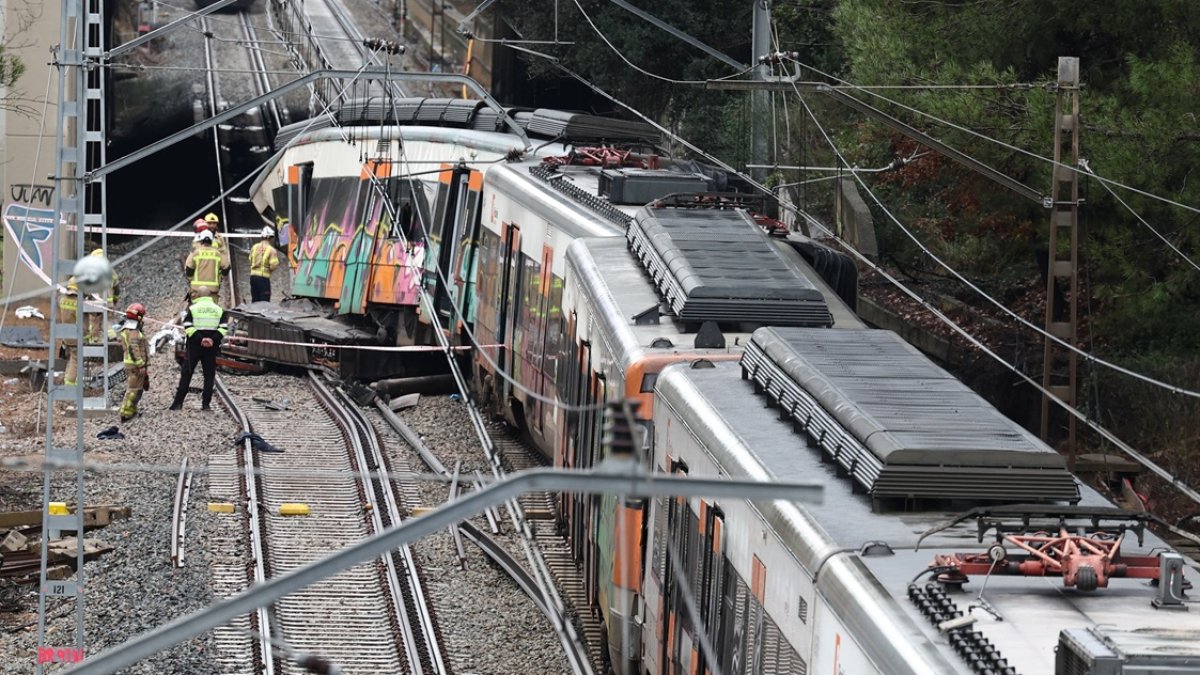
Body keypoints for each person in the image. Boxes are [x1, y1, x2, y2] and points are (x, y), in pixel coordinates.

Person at [169, 294, 227, 411]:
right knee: (209, 375)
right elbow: (223, 328)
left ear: (199, 296)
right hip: (211, 347)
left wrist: (200, 339)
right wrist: (212, 339)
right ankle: (206, 405)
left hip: (194, 346)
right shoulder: (219, 310)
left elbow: (187, 325)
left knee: (187, 373)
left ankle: (178, 403)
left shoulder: (193, 309)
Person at [116, 303, 149, 422]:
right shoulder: (133, 331)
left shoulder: (127, 328)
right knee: (133, 389)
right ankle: (125, 412)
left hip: (131, 363)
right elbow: (134, 348)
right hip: (134, 365)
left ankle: (131, 409)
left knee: (136, 388)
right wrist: (140, 364)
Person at [84, 248, 119, 343]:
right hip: (109, 304)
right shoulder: (111, 272)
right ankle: (112, 338)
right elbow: (116, 288)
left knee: (94, 323)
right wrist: (114, 300)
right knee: (108, 322)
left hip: (95, 304)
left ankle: (93, 341)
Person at [184, 229, 228, 300]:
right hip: (213, 290)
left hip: (196, 289)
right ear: (211, 240)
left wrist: (190, 279)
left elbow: (189, 269)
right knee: (212, 308)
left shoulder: (195, 253)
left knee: (195, 308)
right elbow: (226, 267)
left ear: (201, 240)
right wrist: (220, 278)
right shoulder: (218, 254)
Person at [58, 278, 81, 387]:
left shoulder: (62, 300)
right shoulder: (78, 302)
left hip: (65, 335)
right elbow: (81, 320)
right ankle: (70, 384)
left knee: (71, 357)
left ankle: (68, 379)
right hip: (75, 336)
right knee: (76, 359)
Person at [249, 226, 280, 302]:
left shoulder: (254, 247)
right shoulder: (271, 250)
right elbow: (274, 265)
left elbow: (250, 259)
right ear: (270, 238)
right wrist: (269, 270)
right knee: (264, 302)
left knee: (255, 300)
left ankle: (253, 313)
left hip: (253, 277)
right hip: (263, 278)